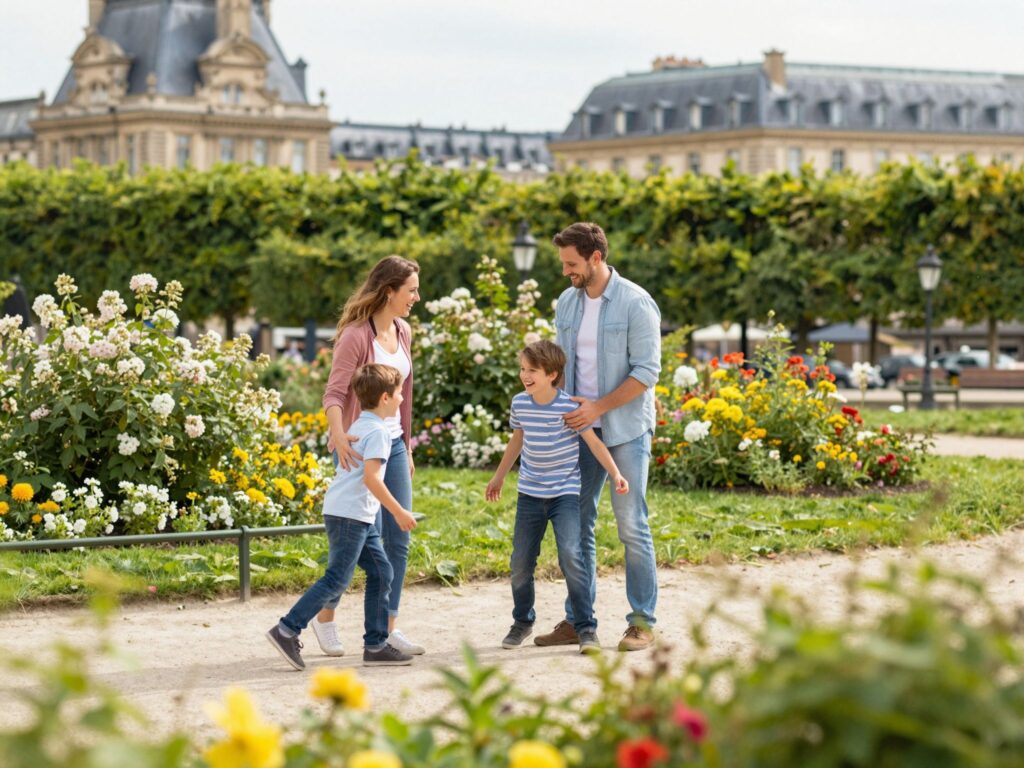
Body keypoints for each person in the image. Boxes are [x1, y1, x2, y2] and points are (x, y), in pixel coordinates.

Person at [535, 222, 662, 652]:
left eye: (572, 263)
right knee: (576, 522)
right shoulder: (567, 303)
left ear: (595, 258)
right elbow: (560, 365)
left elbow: (646, 372)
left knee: (630, 524)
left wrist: (598, 407)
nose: (566, 271)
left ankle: (642, 622)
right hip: (579, 430)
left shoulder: (635, 303)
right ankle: (577, 619)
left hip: (624, 428)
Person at [266, 363, 419, 670]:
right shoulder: (378, 433)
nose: (403, 399)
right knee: (337, 578)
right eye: (400, 393)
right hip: (351, 516)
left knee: (381, 572)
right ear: (386, 398)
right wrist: (399, 511)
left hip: (351, 513)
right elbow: (373, 479)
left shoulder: (360, 424)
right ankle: (286, 629)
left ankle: (375, 646)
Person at [486, 340, 629, 654]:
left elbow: (593, 443)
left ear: (551, 374)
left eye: (532, 370)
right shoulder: (521, 404)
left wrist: (616, 474)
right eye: (523, 369)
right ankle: (522, 621)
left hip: (564, 494)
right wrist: (499, 476)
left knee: (571, 556)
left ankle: (586, 628)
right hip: (529, 495)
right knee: (520, 562)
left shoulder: (568, 408)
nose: (525, 375)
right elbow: (517, 440)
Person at [316, 255, 423, 657]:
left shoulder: (404, 331)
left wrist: (407, 445)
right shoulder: (356, 337)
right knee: (358, 540)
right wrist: (338, 432)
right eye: (411, 289)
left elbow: (405, 396)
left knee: (398, 541)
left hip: (393, 444)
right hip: (359, 446)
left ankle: (387, 627)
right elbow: (334, 391)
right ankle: (324, 617)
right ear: (389, 290)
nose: (416, 296)